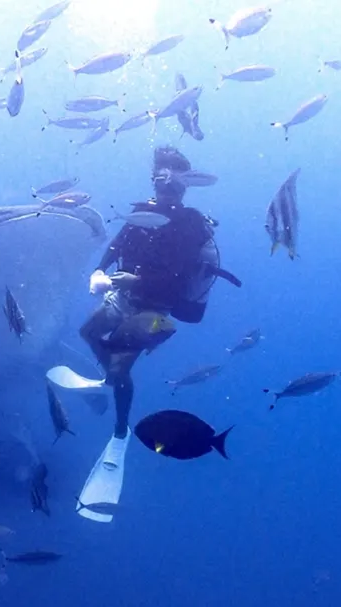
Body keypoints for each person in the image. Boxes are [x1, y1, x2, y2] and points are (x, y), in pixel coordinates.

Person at [48, 146, 240, 522]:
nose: (166, 186)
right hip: (123, 295)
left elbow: (181, 275)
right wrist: (99, 272)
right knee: (89, 331)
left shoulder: (191, 223)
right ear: (153, 179)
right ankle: (109, 378)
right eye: (160, 178)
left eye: (174, 180)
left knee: (122, 368)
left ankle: (120, 433)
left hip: (157, 309)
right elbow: (117, 245)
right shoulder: (141, 214)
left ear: (184, 185)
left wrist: (141, 279)